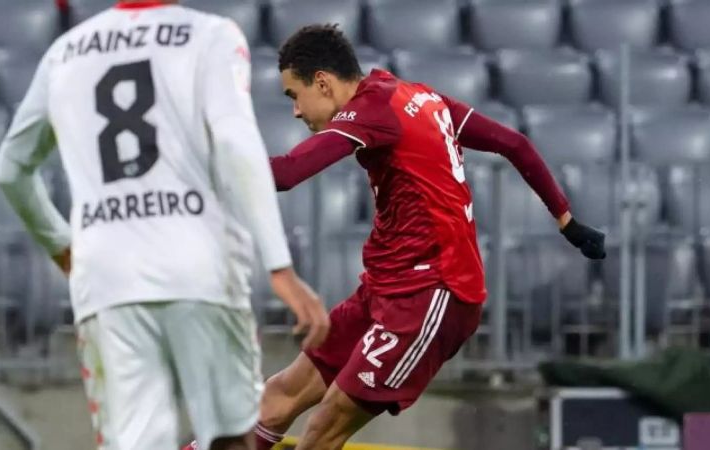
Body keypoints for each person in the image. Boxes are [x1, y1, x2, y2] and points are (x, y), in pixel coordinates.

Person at [184, 24, 606, 450]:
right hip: (385, 288)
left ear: (323, 83)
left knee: (323, 427)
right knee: (277, 397)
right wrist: (566, 221)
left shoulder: (372, 111)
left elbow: (289, 173)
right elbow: (514, 143)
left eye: (294, 95)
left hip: (434, 292)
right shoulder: (415, 95)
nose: (295, 111)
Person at [0, 2, 330, 449]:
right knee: (231, 437)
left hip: (107, 277)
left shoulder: (65, 52)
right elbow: (235, 141)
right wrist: (279, 266)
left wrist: (61, 248)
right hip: (199, 264)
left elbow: (10, 170)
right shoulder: (211, 34)